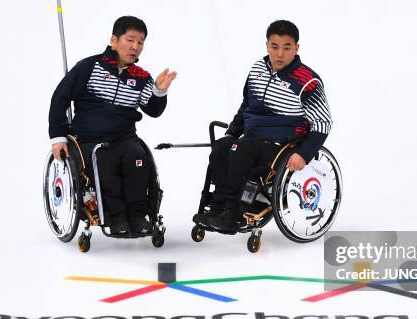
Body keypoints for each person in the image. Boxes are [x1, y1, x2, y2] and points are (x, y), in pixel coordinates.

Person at [193, 20, 333, 232]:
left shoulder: (308, 81)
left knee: (240, 151)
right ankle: (217, 207)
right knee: (221, 149)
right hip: (250, 139)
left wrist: (304, 154)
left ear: (296, 48)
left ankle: (232, 213)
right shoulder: (258, 68)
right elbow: (247, 105)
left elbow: (323, 123)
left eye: (287, 48)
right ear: (267, 45)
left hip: (282, 144)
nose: (280, 54)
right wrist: (231, 132)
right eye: (274, 47)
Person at [48, 16, 177, 234]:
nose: (135, 47)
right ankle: (116, 218)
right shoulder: (89, 67)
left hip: (125, 138)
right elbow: (60, 99)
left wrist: (159, 91)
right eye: (130, 40)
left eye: (141, 42)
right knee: (104, 158)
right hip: (90, 139)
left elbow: (154, 111)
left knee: (138, 157)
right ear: (114, 40)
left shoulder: (141, 77)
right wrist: (58, 138)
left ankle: (137, 216)